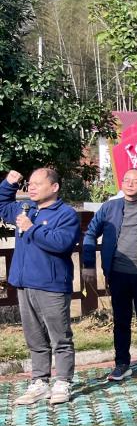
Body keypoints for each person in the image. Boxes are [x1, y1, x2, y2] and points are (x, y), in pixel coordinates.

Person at [2, 169, 80, 406]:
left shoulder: (66, 214)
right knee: (34, 337)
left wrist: (31, 228)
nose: (32, 187)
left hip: (51, 285)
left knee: (60, 337)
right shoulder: (25, 208)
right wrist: (8, 184)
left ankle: (63, 381)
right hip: (25, 283)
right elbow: (2, 205)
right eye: (30, 184)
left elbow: (61, 243)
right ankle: (40, 382)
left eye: (38, 183)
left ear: (54, 187)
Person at [82, 168, 137, 382]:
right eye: (127, 180)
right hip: (117, 273)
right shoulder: (109, 207)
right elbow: (91, 233)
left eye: (135, 181)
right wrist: (89, 264)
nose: (130, 184)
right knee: (121, 320)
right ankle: (122, 364)